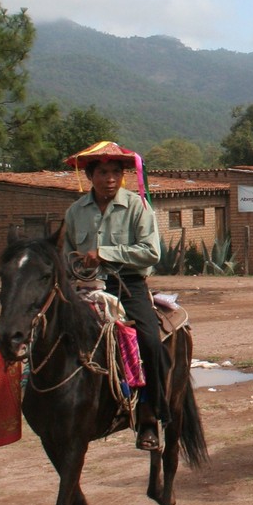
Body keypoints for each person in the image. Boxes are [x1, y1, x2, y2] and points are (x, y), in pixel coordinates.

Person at [62, 140, 170, 452]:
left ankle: (150, 416)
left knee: (150, 340)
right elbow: (66, 253)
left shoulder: (137, 207)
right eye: (102, 172)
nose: (109, 178)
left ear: (122, 176)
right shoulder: (74, 212)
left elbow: (151, 252)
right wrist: (76, 266)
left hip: (128, 286)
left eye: (115, 172)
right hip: (86, 287)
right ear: (90, 176)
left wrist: (105, 253)